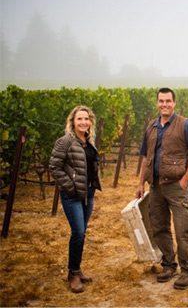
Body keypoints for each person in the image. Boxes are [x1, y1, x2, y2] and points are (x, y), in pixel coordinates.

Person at [136, 87, 188, 290]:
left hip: (176, 186)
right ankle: (168, 265)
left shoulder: (186, 125)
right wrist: (140, 183)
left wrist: (185, 179)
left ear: (174, 103)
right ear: (157, 103)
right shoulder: (151, 127)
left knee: (183, 229)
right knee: (159, 228)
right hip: (155, 187)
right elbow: (145, 157)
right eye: (161, 101)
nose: (164, 104)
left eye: (168, 101)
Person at [49, 105, 102, 293]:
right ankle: (72, 274)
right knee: (78, 232)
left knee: (82, 233)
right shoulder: (65, 142)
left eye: (86, 119)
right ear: (73, 121)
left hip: (88, 193)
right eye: (79, 119)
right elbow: (54, 166)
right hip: (72, 195)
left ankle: (77, 269)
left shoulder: (89, 141)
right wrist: (70, 186)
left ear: (90, 121)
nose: (83, 122)